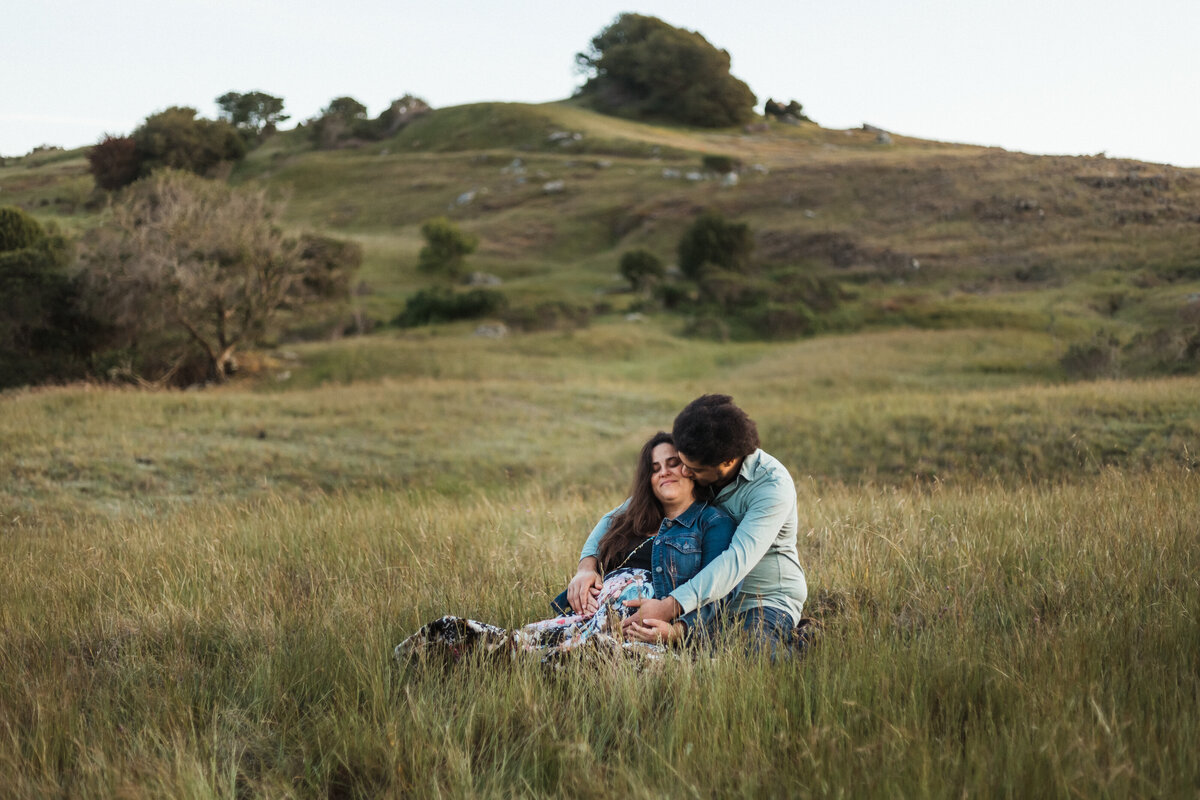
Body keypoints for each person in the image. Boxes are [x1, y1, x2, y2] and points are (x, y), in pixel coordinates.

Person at [395, 432, 737, 665]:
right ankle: (466, 646)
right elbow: (605, 523)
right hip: (590, 616)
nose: (664, 473)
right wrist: (586, 569)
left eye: (672, 462)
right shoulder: (636, 514)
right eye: (654, 468)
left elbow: (716, 594)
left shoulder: (712, 522)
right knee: (521, 643)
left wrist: (677, 632)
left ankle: (543, 661)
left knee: (594, 657)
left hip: (639, 626)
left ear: (692, 467)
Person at [573, 395, 807, 658]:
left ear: (727, 462)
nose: (682, 473)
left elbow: (734, 563)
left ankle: (802, 640)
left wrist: (667, 607)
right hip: (702, 600)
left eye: (691, 468)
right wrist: (586, 566)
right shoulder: (703, 457)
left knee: (749, 657)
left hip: (760, 600)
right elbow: (617, 515)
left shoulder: (771, 488)